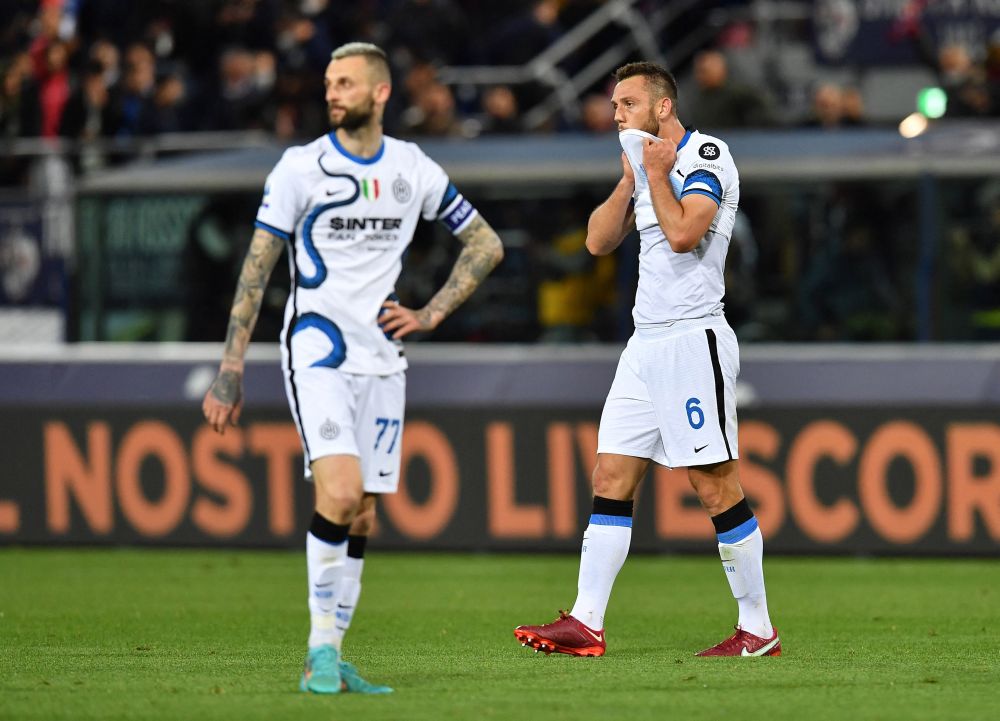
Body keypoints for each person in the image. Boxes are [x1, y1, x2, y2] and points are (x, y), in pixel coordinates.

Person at [202, 41, 503, 694]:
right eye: (329, 83)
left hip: (383, 358)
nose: (332, 93)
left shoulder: (412, 167)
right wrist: (230, 367)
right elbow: (256, 269)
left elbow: (486, 242)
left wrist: (431, 312)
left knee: (362, 514)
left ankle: (335, 653)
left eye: (345, 83)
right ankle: (319, 650)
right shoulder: (300, 168)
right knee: (338, 493)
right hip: (319, 349)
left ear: (380, 92)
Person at [513, 61, 779, 658]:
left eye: (627, 104)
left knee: (713, 485)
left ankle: (758, 628)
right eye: (614, 105)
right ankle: (586, 621)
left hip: (692, 339)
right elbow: (597, 241)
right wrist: (632, 179)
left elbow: (684, 235)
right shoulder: (643, 169)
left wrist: (656, 172)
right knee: (610, 476)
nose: (616, 115)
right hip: (644, 343)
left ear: (663, 107)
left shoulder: (707, 155)